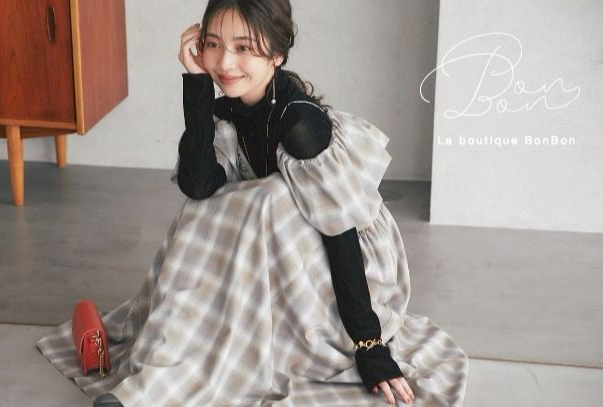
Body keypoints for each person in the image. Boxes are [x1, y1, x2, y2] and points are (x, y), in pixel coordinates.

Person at [36, 1, 469, 406]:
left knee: (268, 198)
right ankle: (159, 375)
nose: (225, 63)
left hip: (340, 263)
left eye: (244, 48)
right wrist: (195, 83)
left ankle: (165, 387)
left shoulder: (300, 124)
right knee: (213, 207)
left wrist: (370, 346)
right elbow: (198, 186)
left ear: (276, 54)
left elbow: (341, 233)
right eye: (213, 44)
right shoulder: (228, 110)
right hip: (268, 253)